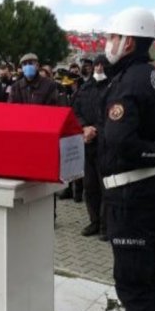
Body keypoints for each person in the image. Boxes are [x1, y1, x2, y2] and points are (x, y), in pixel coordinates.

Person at [98, 8, 155, 311]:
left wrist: (153, 154)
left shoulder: (129, 81)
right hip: (151, 190)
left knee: (133, 286)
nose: (108, 43)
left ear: (128, 42)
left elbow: (120, 140)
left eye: (113, 37)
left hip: (131, 198)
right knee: (151, 279)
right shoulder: (154, 76)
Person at [9, 53, 60, 224]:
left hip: (43, 139)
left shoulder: (49, 86)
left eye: (31, 63)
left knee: (45, 178)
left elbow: (53, 111)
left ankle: (49, 214)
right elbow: (11, 111)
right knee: (23, 177)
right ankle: (24, 211)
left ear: (38, 65)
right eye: (24, 64)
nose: (28, 66)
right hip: (23, 139)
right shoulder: (16, 87)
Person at [72, 54, 110, 241]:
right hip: (87, 144)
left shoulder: (113, 88)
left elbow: (114, 116)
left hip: (105, 145)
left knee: (106, 188)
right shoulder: (84, 88)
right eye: (96, 65)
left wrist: (96, 130)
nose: (99, 68)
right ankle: (94, 221)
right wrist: (84, 127)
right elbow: (75, 111)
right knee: (90, 187)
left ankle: (105, 226)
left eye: (102, 65)